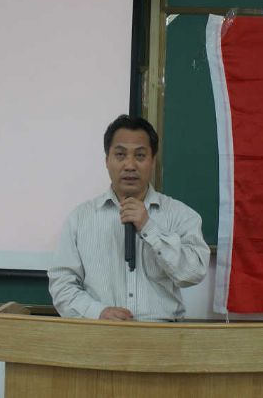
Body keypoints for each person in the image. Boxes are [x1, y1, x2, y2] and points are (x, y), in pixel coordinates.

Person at [48, 115, 210, 322]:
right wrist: (98, 312)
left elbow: (193, 273)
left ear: (152, 161)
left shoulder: (181, 215)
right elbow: (61, 285)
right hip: (101, 333)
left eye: (140, 156)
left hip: (163, 335)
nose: (130, 165)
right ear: (107, 161)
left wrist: (149, 228)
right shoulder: (80, 219)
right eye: (120, 155)